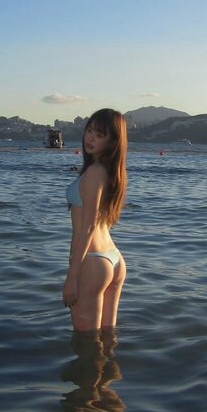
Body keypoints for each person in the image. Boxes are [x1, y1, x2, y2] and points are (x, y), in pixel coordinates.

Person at [63, 109, 127, 331]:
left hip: (92, 262)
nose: (90, 138)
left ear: (112, 142)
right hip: (113, 259)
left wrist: (72, 276)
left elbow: (89, 226)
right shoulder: (109, 171)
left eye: (100, 135)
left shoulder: (94, 173)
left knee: (87, 342)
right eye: (89, 131)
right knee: (107, 338)